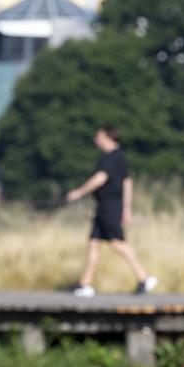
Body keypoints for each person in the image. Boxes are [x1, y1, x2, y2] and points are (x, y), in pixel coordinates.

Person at [65, 124, 158, 296]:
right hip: (105, 206)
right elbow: (127, 183)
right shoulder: (120, 157)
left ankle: (144, 278)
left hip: (110, 206)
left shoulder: (112, 158)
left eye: (99, 136)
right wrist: (127, 208)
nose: (96, 140)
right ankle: (84, 284)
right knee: (93, 242)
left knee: (117, 243)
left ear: (108, 137)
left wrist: (79, 192)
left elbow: (100, 178)